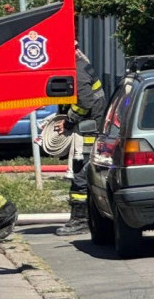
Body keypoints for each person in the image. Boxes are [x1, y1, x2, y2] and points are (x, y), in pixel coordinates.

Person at [54, 44, 106, 236]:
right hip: (90, 126)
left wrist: (69, 121)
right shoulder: (82, 65)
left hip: (88, 130)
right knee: (83, 171)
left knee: (80, 172)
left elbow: (84, 102)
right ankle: (87, 217)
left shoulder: (78, 71)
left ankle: (80, 220)